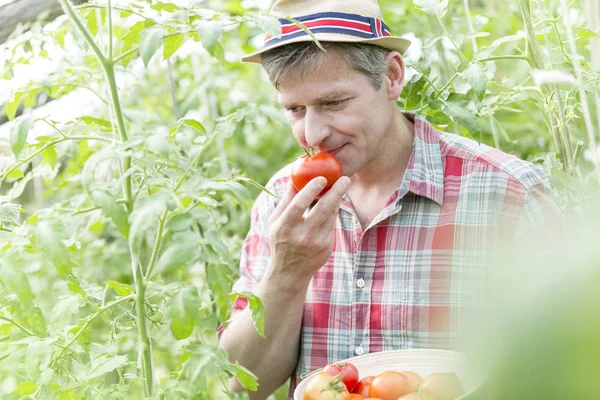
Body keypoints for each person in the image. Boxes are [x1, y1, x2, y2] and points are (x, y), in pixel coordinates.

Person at [218, 0, 563, 399]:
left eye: (333, 103)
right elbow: (241, 388)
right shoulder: (282, 200)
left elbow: (570, 362)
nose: (312, 134)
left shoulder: (507, 194)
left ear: (393, 77)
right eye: (295, 109)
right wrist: (286, 273)